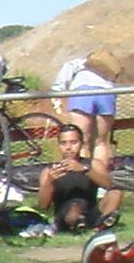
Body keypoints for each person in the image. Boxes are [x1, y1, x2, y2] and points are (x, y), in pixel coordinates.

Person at [51, 48, 124, 181]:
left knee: (81, 141)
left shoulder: (79, 63)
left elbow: (63, 78)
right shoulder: (110, 69)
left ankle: (82, 180)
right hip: (106, 94)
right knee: (101, 142)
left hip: (81, 94)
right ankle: (101, 180)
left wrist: (57, 92)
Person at [39, 123, 120, 232]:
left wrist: (85, 170)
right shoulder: (50, 170)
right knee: (75, 207)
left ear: (81, 144)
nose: (68, 148)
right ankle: (78, 224)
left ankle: (102, 226)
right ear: (59, 145)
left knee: (116, 193)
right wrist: (49, 181)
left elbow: (109, 185)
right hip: (66, 215)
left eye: (73, 142)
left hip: (91, 212)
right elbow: (43, 206)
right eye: (63, 143)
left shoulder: (93, 164)